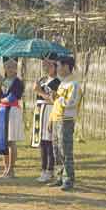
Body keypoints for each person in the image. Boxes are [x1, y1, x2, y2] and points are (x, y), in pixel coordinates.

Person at [48, 55, 82, 191]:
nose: (57, 69)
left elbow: (72, 103)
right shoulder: (63, 83)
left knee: (65, 150)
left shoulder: (74, 84)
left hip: (66, 120)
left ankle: (68, 179)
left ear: (67, 66)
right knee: (56, 150)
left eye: (59, 66)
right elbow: (57, 103)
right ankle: (59, 176)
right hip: (56, 119)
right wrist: (51, 118)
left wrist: (59, 97)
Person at [0, 57, 25, 178]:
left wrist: (1, 100)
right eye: (8, 67)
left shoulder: (18, 82)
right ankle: (5, 167)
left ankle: (11, 169)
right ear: (4, 68)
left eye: (13, 67)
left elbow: (12, 98)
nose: (10, 69)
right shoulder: (4, 81)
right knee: (3, 140)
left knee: (11, 141)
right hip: (2, 111)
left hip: (12, 111)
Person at [32, 53, 61, 183]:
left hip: (49, 111)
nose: (46, 67)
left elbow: (54, 100)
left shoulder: (57, 82)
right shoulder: (42, 80)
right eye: (44, 64)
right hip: (40, 111)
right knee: (42, 142)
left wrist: (39, 92)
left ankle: (50, 169)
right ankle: (43, 169)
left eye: (49, 65)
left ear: (55, 66)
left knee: (49, 141)